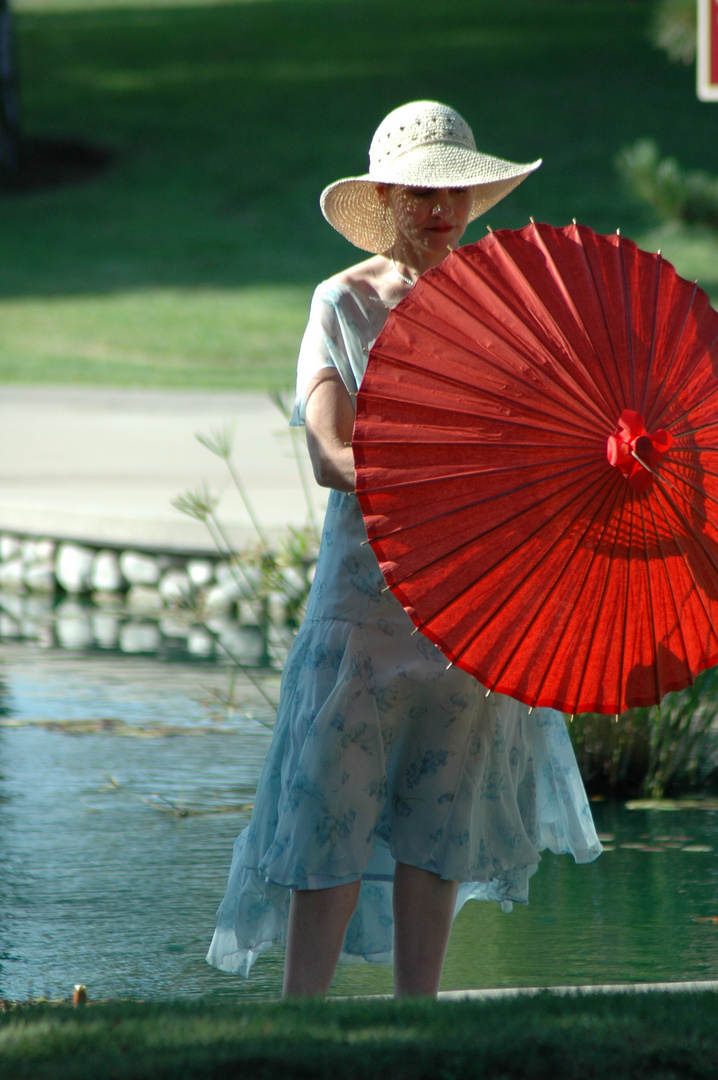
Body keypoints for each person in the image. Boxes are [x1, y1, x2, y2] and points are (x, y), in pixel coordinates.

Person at [206, 100, 602, 999]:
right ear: (385, 198)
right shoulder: (341, 303)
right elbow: (326, 454)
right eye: (423, 194)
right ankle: (304, 1017)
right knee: (326, 820)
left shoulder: (506, 311)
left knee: (444, 826)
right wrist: (424, 473)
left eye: (457, 196)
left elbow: (538, 448)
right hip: (363, 610)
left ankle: (416, 1021)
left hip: (469, 613)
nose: (442, 213)